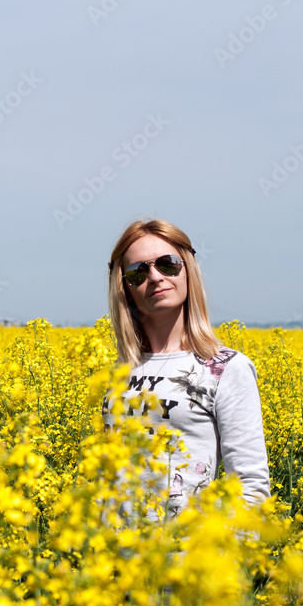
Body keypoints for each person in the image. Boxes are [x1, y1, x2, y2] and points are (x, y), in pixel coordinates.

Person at [102, 218, 270, 520]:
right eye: (137, 272)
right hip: (113, 563)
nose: (154, 277)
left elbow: (249, 488)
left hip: (187, 560)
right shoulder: (119, 372)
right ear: (125, 289)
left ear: (187, 271)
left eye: (167, 264)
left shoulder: (226, 368)